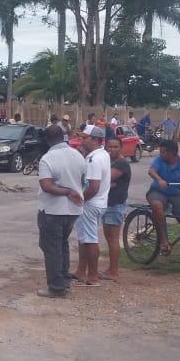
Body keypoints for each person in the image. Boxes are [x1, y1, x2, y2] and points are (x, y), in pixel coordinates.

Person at [36, 125, 86, 298]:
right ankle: (64, 280)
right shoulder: (77, 155)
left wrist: (67, 191)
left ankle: (56, 288)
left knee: (52, 248)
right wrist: (73, 190)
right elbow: (83, 179)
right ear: (63, 136)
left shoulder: (47, 158)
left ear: (47, 140)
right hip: (73, 211)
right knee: (62, 244)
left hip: (52, 210)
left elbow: (46, 185)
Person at [74, 126, 110, 287]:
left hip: (91, 203)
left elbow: (93, 186)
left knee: (89, 239)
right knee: (84, 238)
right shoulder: (102, 154)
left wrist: (82, 198)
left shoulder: (94, 159)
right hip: (99, 202)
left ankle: (93, 275)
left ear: (95, 140)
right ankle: (81, 271)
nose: (82, 140)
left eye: (85, 138)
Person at [102, 137, 131, 281]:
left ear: (120, 148)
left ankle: (114, 271)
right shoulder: (110, 161)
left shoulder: (121, 163)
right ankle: (111, 269)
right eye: (109, 147)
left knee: (113, 238)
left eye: (115, 147)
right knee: (108, 237)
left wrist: (106, 181)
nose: (112, 149)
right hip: (108, 203)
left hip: (115, 204)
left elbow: (105, 178)